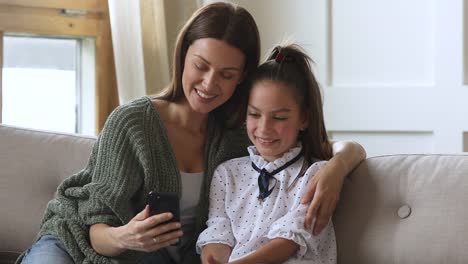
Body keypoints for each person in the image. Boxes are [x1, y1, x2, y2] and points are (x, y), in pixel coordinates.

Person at [18, 2, 365, 264]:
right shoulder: (133, 123)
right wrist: (127, 236)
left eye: (227, 75)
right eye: (201, 66)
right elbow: (94, 230)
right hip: (76, 241)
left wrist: (336, 168)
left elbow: (331, 146)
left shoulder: (243, 132)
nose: (209, 84)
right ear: (183, 54)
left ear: (243, 78)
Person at [197, 43, 337, 264]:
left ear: (304, 119)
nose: (263, 128)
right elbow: (218, 230)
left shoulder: (316, 174)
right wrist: (213, 258)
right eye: (254, 114)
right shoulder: (227, 173)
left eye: (279, 117)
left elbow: (288, 241)